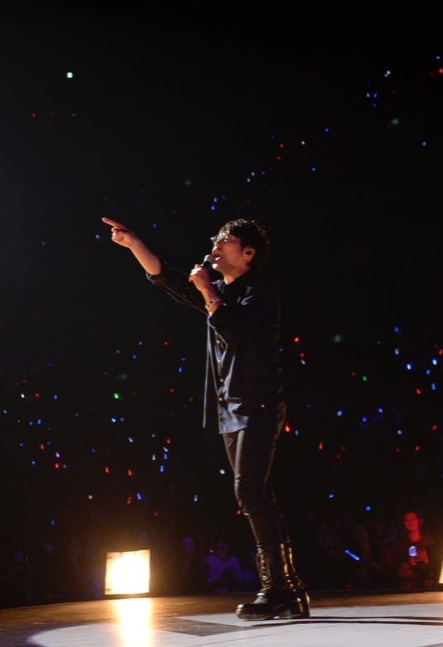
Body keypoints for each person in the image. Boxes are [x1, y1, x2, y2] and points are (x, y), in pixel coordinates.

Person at [102, 216, 309, 619]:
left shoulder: (259, 290)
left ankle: (278, 589)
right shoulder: (220, 292)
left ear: (247, 253)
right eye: (215, 238)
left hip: (259, 402)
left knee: (250, 492)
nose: (215, 244)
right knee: (255, 494)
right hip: (232, 407)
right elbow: (168, 279)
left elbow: (236, 332)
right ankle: (289, 590)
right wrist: (134, 244)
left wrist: (208, 291)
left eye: (225, 240)